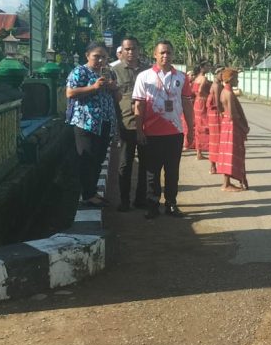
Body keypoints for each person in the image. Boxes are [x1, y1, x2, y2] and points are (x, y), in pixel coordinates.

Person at [132, 40, 195, 219]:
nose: (165, 56)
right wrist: (139, 130)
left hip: (174, 133)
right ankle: (152, 205)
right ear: (155, 54)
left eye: (168, 53)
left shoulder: (182, 77)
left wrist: (190, 128)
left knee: (172, 171)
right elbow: (139, 105)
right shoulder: (144, 77)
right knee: (152, 172)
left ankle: (171, 204)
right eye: (162, 53)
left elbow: (186, 104)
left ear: (173, 55)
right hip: (151, 133)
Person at [67, 42, 121, 208]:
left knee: (98, 158)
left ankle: (92, 192)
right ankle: (87, 195)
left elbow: (118, 98)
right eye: (96, 56)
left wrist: (113, 88)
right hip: (86, 122)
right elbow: (70, 93)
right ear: (87, 55)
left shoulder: (109, 73)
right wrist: (94, 87)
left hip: (104, 122)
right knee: (87, 158)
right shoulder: (80, 71)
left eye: (104, 57)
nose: (100, 60)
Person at [110, 36, 149, 211]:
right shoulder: (114, 71)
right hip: (125, 124)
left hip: (147, 124)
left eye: (133, 48)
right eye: (127, 49)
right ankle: (124, 200)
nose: (131, 52)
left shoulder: (148, 71)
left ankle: (141, 199)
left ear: (139, 49)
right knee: (125, 164)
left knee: (146, 164)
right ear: (122, 51)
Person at [215, 69, 250, 191]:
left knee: (228, 153)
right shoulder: (228, 94)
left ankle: (227, 182)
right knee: (231, 154)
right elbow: (233, 115)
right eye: (236, 78)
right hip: (232, 126)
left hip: (227, 125)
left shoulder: (224, 91)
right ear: (230, 79)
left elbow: (222, 109)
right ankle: (226, 184)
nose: (238, 80)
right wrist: (243, 128)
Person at [191, 61, 213, 161]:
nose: (209, 67)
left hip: (197, 102)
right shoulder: (203, 78)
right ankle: (206, 149)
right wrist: (206, 95)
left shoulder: (196, 78)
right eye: (207, 66)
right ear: (202, 67)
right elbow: (200, 91)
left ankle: (199, 152)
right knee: (205, 126)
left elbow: (193, 91)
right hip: (202, 102)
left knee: (198, 126)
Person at [208, 67, 224, 175]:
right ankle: (215, 166)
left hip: (213, 115)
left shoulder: (214, 84)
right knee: (217, 141)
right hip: (216, 115)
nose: (223, 76)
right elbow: (218, 103)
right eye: (222, 74)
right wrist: (222, 114)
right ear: (217, 74)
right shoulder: (217, 86)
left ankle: (213, 166)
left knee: (214, 140)